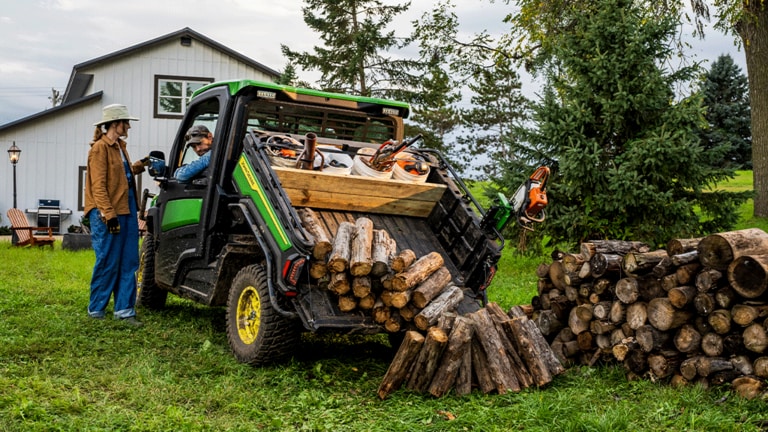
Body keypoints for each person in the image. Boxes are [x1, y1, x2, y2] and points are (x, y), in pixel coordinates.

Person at [84, 103, 149, 327]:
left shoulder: (120, 147)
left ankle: (124, 309)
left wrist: (142, 164)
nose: (128, 126)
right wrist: (108, 214)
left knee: (129, 261)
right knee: (108, 261)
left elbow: (122, 175)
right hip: (107, 213)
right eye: (126, 122)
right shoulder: (99, 149)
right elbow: (98, 186)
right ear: (115, 123)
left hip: (127, 210)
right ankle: (96, 310)